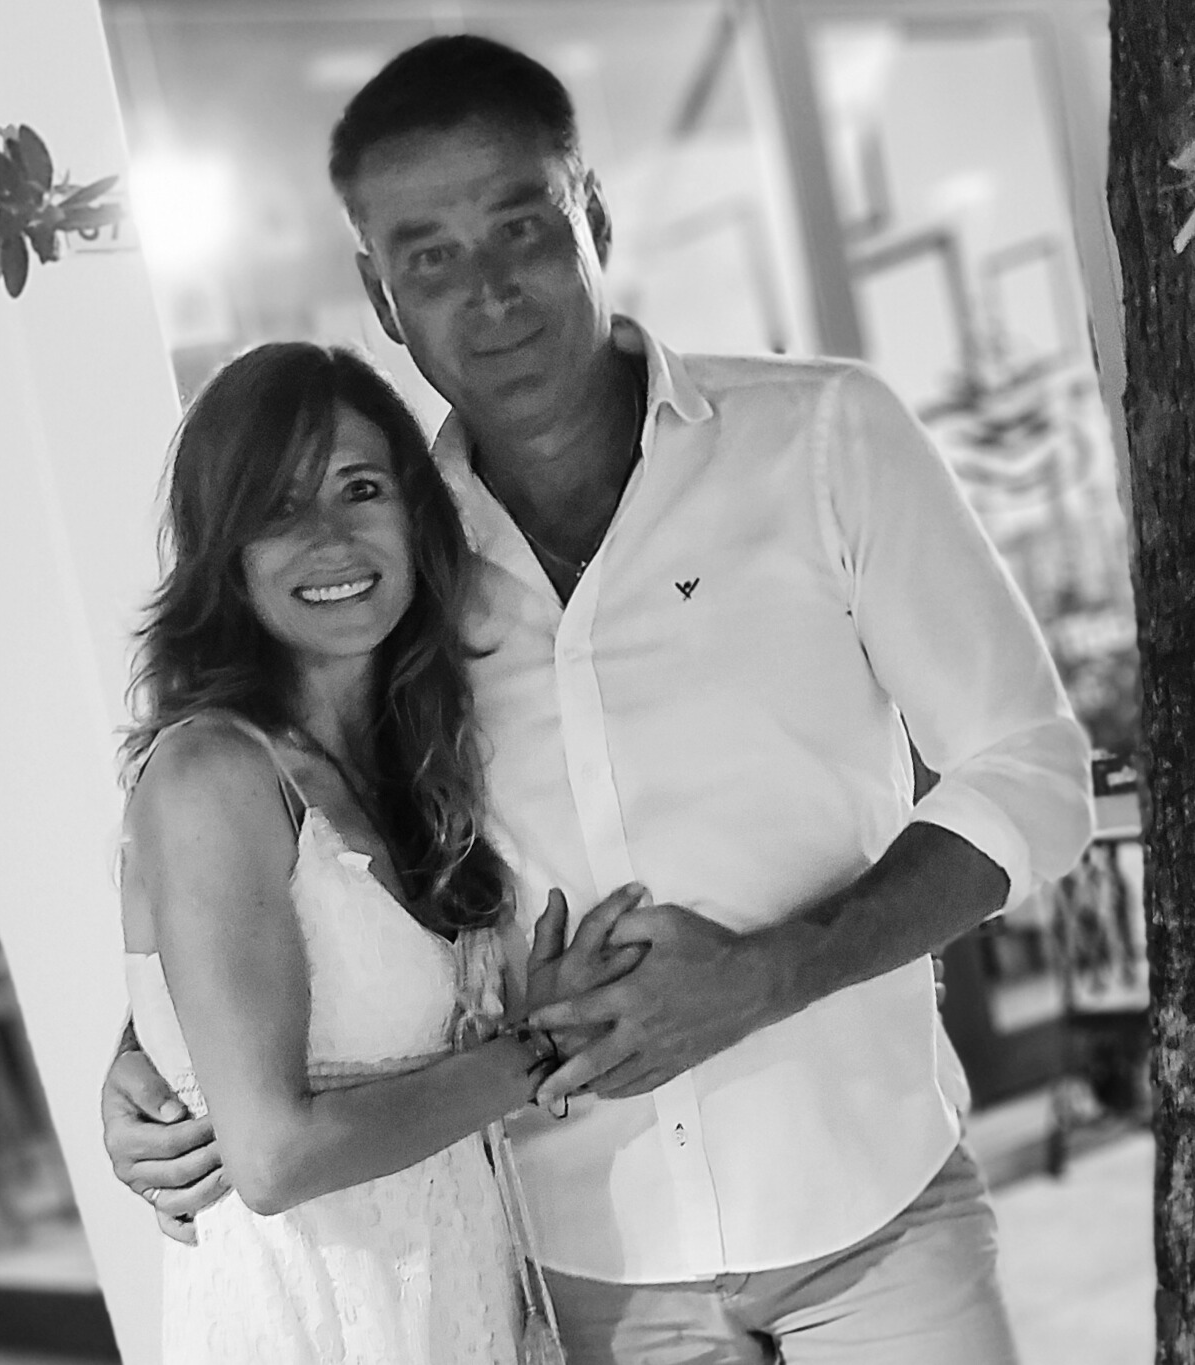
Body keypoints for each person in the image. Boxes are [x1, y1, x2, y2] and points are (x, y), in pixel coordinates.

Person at [103, 36, 1094, 1364]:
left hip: (871, 1206)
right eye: (429, 257)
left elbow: (1030, 771)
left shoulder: (824, 440)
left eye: (522, 226)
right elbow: (314, 852)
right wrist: (161, 1050)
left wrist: (772, 973)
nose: (490, 291)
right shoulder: (394, 564)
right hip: (585, 1272)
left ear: (595, 219)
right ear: (382, 296)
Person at [116, 339, 630, 1363]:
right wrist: (537, 1050)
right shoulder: (214, 772)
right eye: (278, 509)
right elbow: (273, 1156)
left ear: (414, 513)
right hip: (315, 1323)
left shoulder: (419, 760)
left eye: (360, 488)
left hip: (457, 1299)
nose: (332, 538)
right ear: (225, 556)